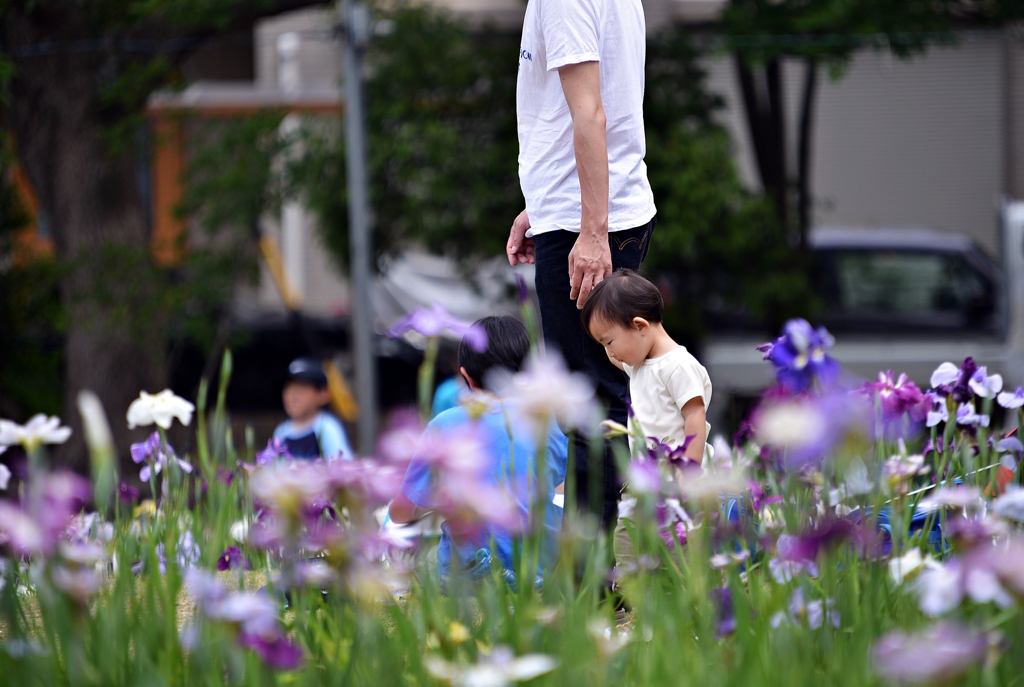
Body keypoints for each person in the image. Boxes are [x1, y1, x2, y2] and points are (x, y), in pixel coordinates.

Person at [507, 0, 657, 527]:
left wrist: (590, 230)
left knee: (588, 400)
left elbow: (591, 113)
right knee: (596, 392)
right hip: (586, 210)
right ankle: (589, 570)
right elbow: (599, 105)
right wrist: (541, 206)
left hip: (589, 224)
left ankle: (587, 577)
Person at [389, 316, 568, 588]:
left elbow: (400, 513)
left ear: (466, 376)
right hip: (537, 572)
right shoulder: (549, 421)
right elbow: (562, 491)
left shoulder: (445, 424)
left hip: (462, 575)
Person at [580, 270, 712, 573]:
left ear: (639, 325)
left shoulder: (678, 366)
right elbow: (620, 359)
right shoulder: (639, 365)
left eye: (609, 341)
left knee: (679, 549)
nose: (608, 352)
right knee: (627, 537)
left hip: (675, 480)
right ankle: (634, 591)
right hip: (643, 481)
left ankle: (683, 599)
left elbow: (695, 415)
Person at [273, 357, 354, 461]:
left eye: (301, 389)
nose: (293, 397)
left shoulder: (326, 428)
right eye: (289, 388)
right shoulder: (282, 431)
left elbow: (342, 466)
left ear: (323, 394)